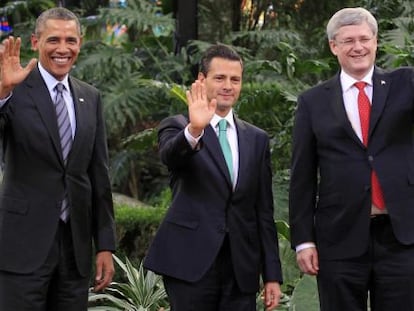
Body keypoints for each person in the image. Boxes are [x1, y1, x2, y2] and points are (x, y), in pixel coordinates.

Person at [289, 6, 414, 311]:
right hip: (339, 237)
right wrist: (303, 240)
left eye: (364, 38)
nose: (357, 47)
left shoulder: (406, 84)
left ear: (375, 42)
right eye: (347, 41)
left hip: (402, 236)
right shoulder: (312, 101)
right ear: (334, 46)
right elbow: (302, 176)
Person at [144, 44, 282, 311]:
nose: (228, 86)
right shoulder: (178, 126)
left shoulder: (257, 139)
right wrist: (195, 129)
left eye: (235, 79)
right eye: (219, 78)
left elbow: (263, 211)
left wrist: (272, 275)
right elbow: (171, 157)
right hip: (190, 263)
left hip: (241, 268)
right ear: (201, 80)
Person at [0, 7, 116, 311]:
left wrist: (104, 244)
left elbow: (98, 176)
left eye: (70, 40)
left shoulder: (90, 97)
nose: (62, 49)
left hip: (74, 251)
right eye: (53, 40)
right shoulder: (14, 87)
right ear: (36, 42)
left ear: (80, 43)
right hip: (22, 247)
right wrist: (1, 94)